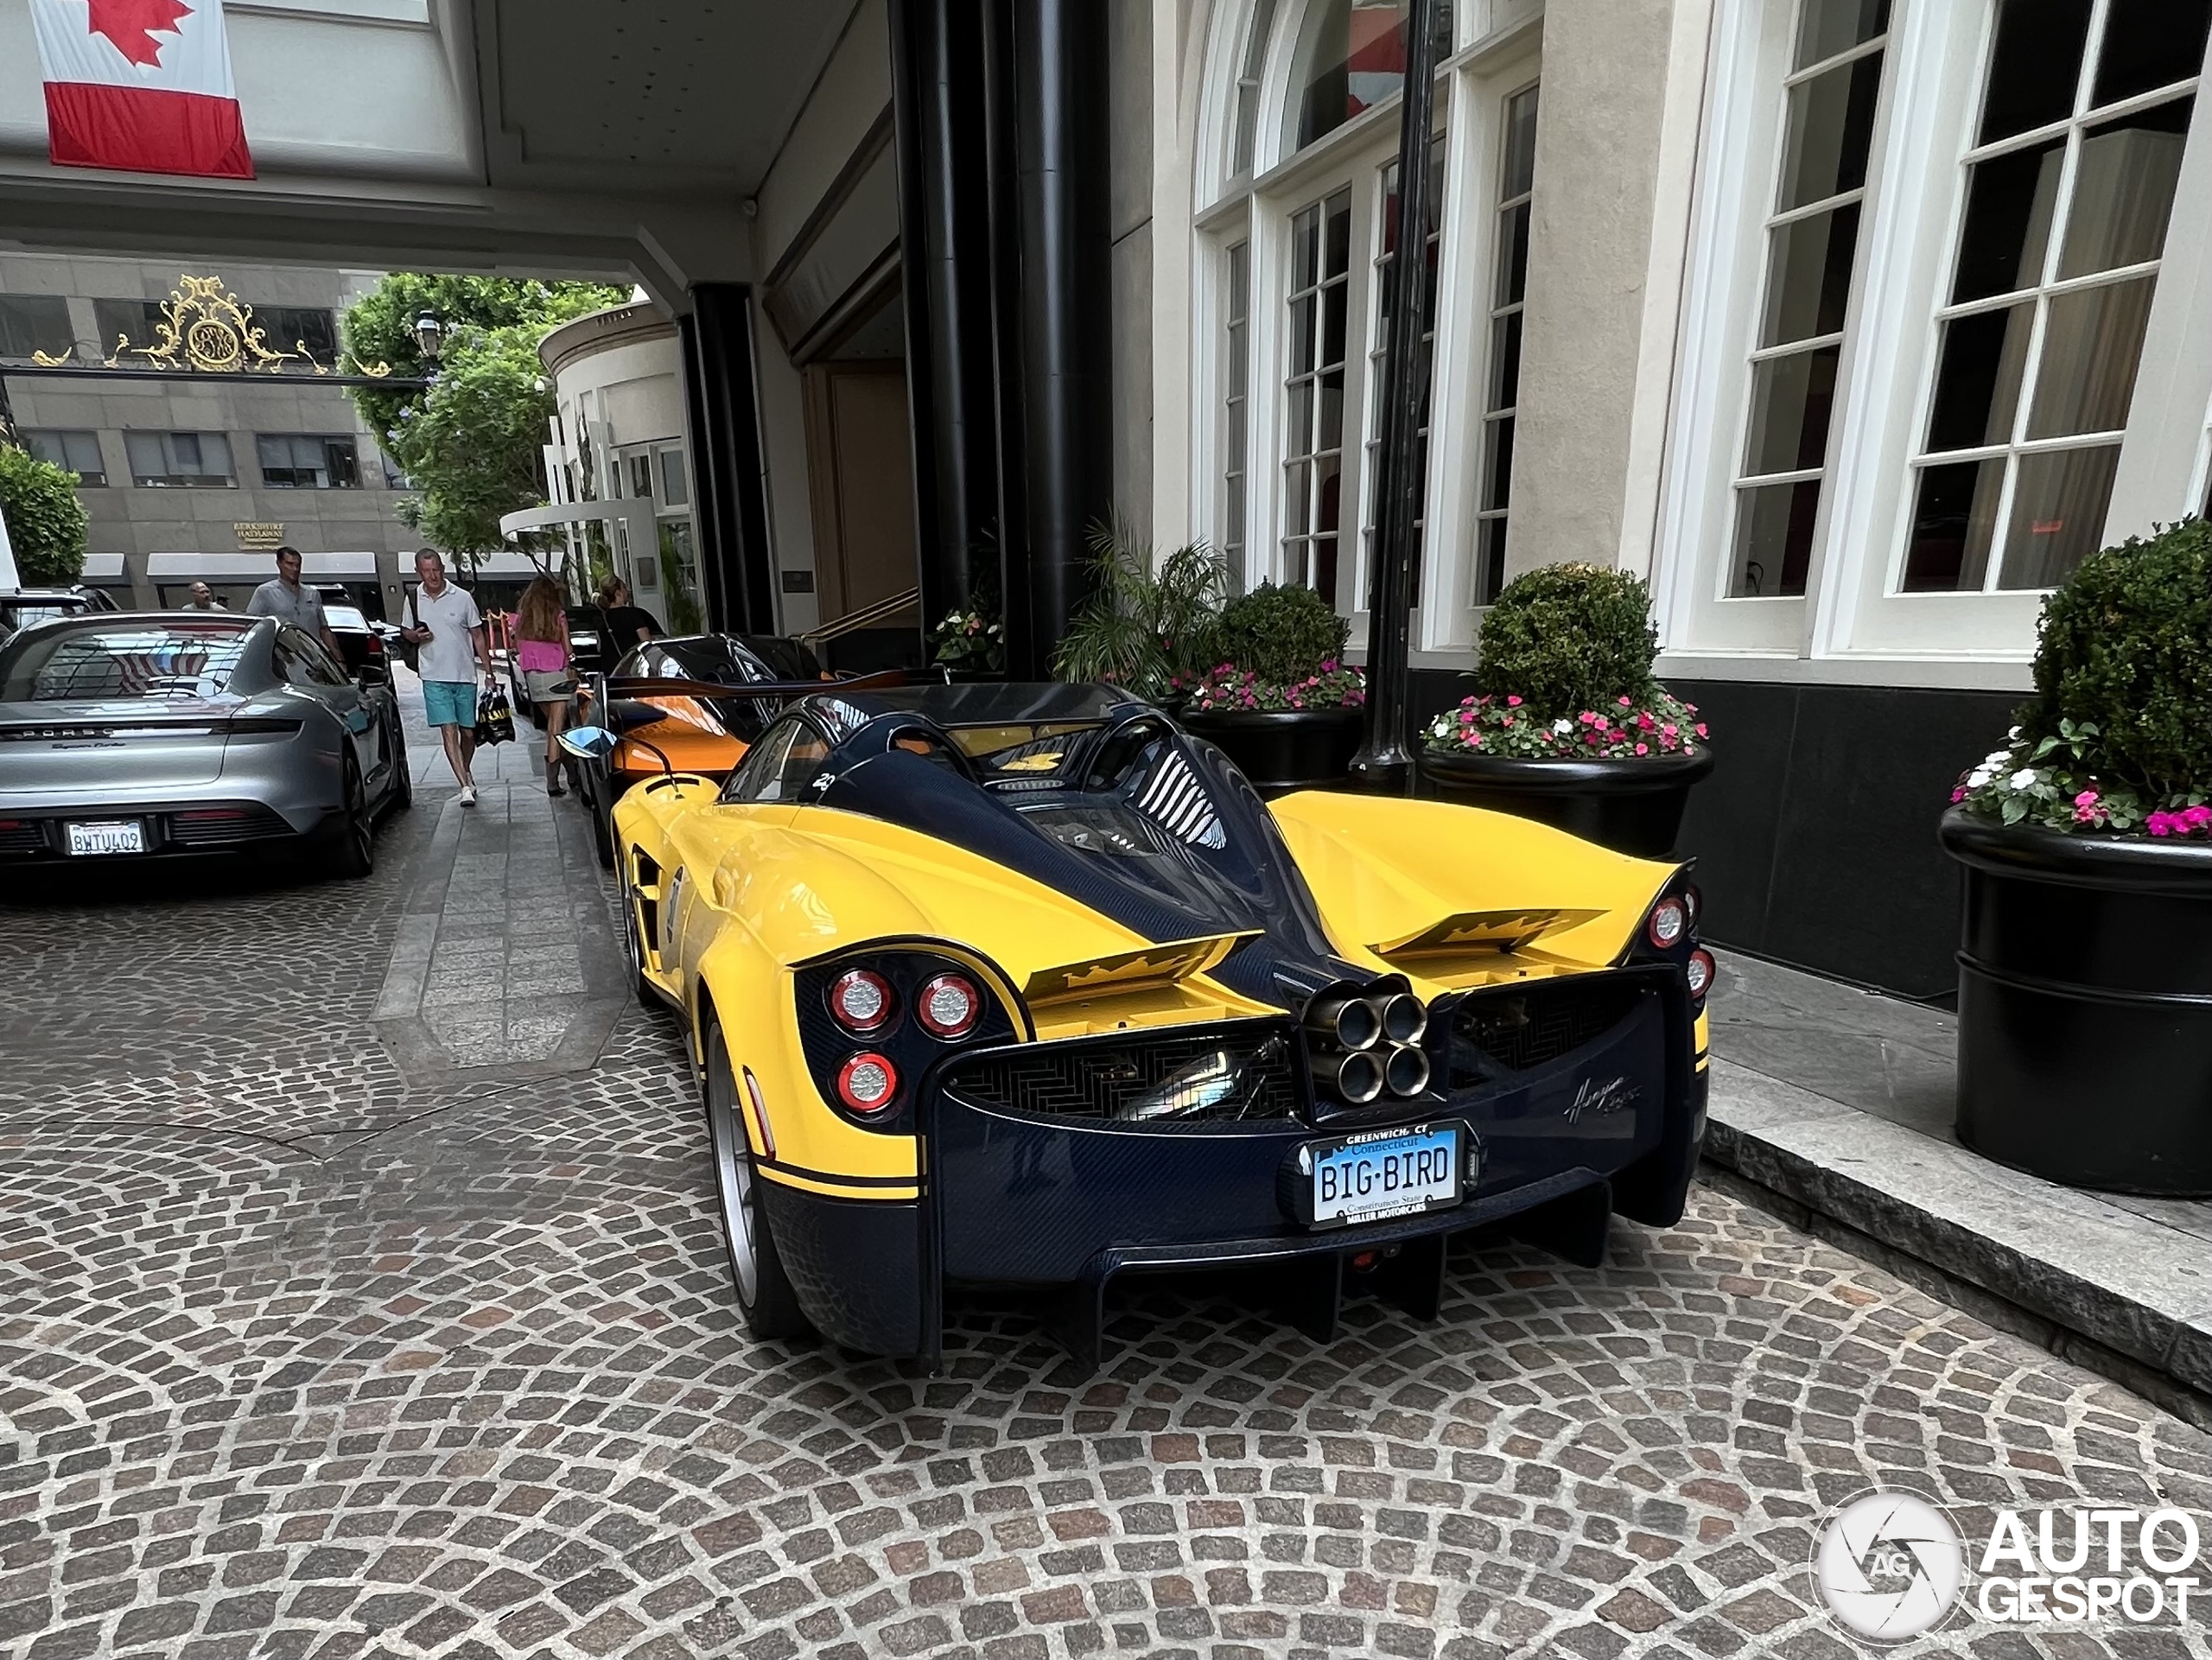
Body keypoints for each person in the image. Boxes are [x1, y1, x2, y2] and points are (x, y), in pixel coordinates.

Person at [399, 549, 493, 805]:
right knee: (448, 730)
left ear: (443, 568)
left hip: (464, 674)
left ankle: (465, 769)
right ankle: (464, 786)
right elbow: (406, 631)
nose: (433, 575)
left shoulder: (462, 597)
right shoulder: (413, 598)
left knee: (469, 733)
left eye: (436, 569)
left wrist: (489, 671)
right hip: (433, 674)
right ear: (418, 571)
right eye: (427, 571)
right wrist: (415, 637)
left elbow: (477, 635)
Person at [514, 576, 578, 797]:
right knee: (556, 730)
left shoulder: (522, 620)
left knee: (557, 727)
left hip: (534, 678)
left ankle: (571, 773)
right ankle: (552, 782)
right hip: (557, 677)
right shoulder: (558, 616)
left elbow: (518, 647)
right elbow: (568, 648)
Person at [245, 546, 340, 657]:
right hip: (283, 658)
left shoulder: (312, 594)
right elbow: (252, 626)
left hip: (313, 657)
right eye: (290, 564)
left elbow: (324, 629)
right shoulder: (265, 592)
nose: (295, 569)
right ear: (279, 564)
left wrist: (337, 657)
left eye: (297, 565)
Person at [595, 576, 662, 647]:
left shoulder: (602, 618)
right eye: (624, 587)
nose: (627, 590)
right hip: (632, 657)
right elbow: (646, 644)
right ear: (618, 593)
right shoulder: (633, 614)